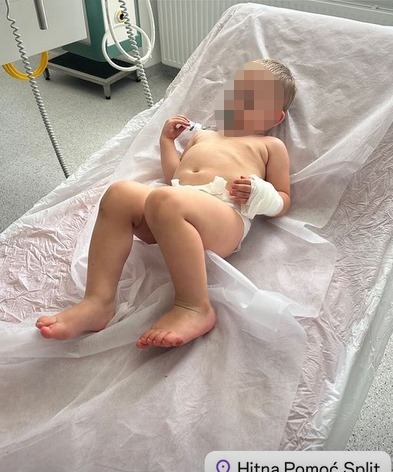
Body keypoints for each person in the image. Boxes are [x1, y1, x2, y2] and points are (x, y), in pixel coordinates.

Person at [35, 59, 296, 349]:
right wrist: (167, 143)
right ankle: (98, 301)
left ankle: (194, 306)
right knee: (120, 193)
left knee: (164, 199)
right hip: (174, 208)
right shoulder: (204, 135)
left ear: (274, 117)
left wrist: (260, 193)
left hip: (224, 216)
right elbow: (175, 178)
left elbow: (283, 200)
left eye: (251, 96)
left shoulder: (269, 146)